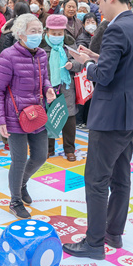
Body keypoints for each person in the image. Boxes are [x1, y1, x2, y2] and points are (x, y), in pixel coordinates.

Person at [63, 0, 133, 260]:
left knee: (97, 180)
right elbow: (122, 63)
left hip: (110, 116)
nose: (98, 10)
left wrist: (86, 63)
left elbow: (105, 75)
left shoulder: (115, 29)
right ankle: (113, 232)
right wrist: (96, 55)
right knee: (121, 178)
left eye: (98, 3)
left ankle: (94, 242)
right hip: (130, 114)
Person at [0, 14, 57, 218]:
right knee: (19, 160)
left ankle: (22, 183)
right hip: (15, 116)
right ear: (20, 34)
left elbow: (44, 78)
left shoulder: (41, 55)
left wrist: (48, 89)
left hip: (36, 113)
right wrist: (0, 120)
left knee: (39, 156)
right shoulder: (8, 56)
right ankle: (15, 200)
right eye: (33, 31)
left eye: (40, 31)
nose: (38, 35)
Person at [41, 14, 83, 160]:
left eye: (60, 33)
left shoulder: (70, 45)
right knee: (48, 116)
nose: (57, 36)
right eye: (54, 33)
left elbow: (80, 63)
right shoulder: (40, 46)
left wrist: (72, 65)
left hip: (66, 85)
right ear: (47, 32)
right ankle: (48, 148)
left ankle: (69, 149)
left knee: (69, 118)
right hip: (47, 87)